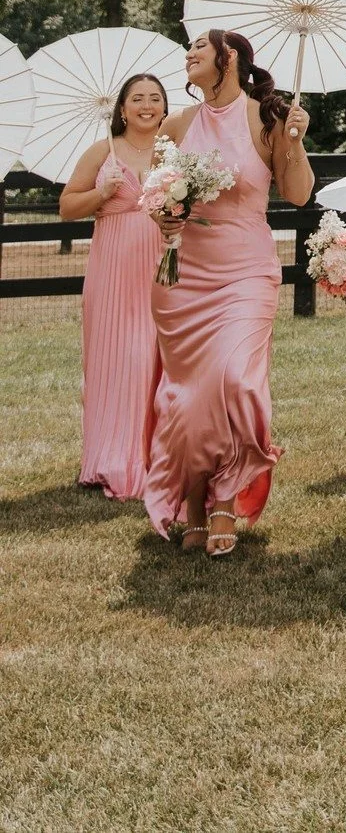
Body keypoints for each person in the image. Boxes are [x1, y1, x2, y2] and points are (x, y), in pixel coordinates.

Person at [143, 29, 313, 555]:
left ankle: (225, 500)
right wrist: (166, 220)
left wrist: (295, 140)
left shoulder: (268, 117)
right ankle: (196, 506)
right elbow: (155, 196)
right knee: (189, 396)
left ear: (229, 56)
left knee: (236, 380)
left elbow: (298, 192)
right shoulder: (175, 126)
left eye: (198, 46)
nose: (188, 54)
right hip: (184, 274)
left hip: (246, 270)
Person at [60, 72, 169, 501]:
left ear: (164, 106)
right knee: (120, 359)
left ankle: (160, 456)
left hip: (164, 265)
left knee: (159, 358)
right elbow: (67, 207)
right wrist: (100, 193)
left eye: (155, 98)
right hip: (113, 274)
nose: (147, 105)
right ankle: (112, 457)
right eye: (137, 98)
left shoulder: (174, 150)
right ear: (122, 109)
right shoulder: (102, 152)